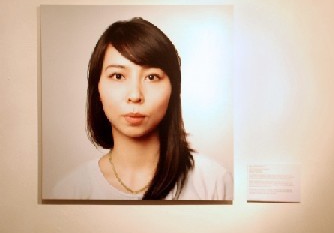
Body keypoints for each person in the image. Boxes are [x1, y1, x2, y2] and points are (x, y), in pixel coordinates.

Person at [50, 18, 233, 200]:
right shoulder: (71, 190)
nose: (135, 95)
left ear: (173, 89)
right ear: (97, 89)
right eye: (118, 76)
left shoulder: (213, 182)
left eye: (152, 77)